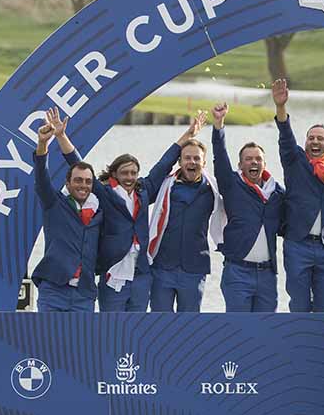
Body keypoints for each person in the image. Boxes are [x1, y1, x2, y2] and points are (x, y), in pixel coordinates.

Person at [45, 108, 205, 312]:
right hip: (113, 273)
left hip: (141, 276)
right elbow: (76, 162)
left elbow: (165, 163)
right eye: (124, 173)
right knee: (112, 331)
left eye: (133, 173)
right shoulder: (104, 193)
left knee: (135, 329)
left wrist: (189, 134)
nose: (130, 177)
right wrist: (61, 135)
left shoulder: (144, 190)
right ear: (114, 174)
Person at [271, 79, 324, 312]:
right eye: (310, 138)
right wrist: (281, 107)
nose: (314, 141)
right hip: (297, 245)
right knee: (300, 307)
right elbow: (285, 134)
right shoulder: (295, 161)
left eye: (320, 138)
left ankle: (322, 348)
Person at [212, 102, 286, 312]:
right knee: (238, 330)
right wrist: (219, 125)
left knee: (265, 331)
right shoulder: (232, 184)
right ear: (240, 165)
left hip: (267, 275)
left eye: (258, 159)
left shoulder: (277, 193)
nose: (253, 163)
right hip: (238, 272)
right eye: (248, 159)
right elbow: (220, 156)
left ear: (264, 164)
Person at [147, 122, 224, 313]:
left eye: (197, 158)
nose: (192, 162)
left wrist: (219, 127)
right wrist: (187, 135)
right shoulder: (165, 186)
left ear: (204, 163)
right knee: (160, 324)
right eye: (187, 158)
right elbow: (160, 167)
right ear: (179, 162)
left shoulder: (213, 189)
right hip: (162, 267)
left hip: (194, 269)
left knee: (188, 328)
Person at [31, 119, 102, 312]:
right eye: (78, 180)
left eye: (88, 181)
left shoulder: (99, 210)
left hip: (84, 294)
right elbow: (41, 178)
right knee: (48, 342)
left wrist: (62, 136)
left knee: (82, 343)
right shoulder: (54, 203)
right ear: (68, 183)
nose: (83, 185)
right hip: (54, 290)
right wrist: (43, 144)